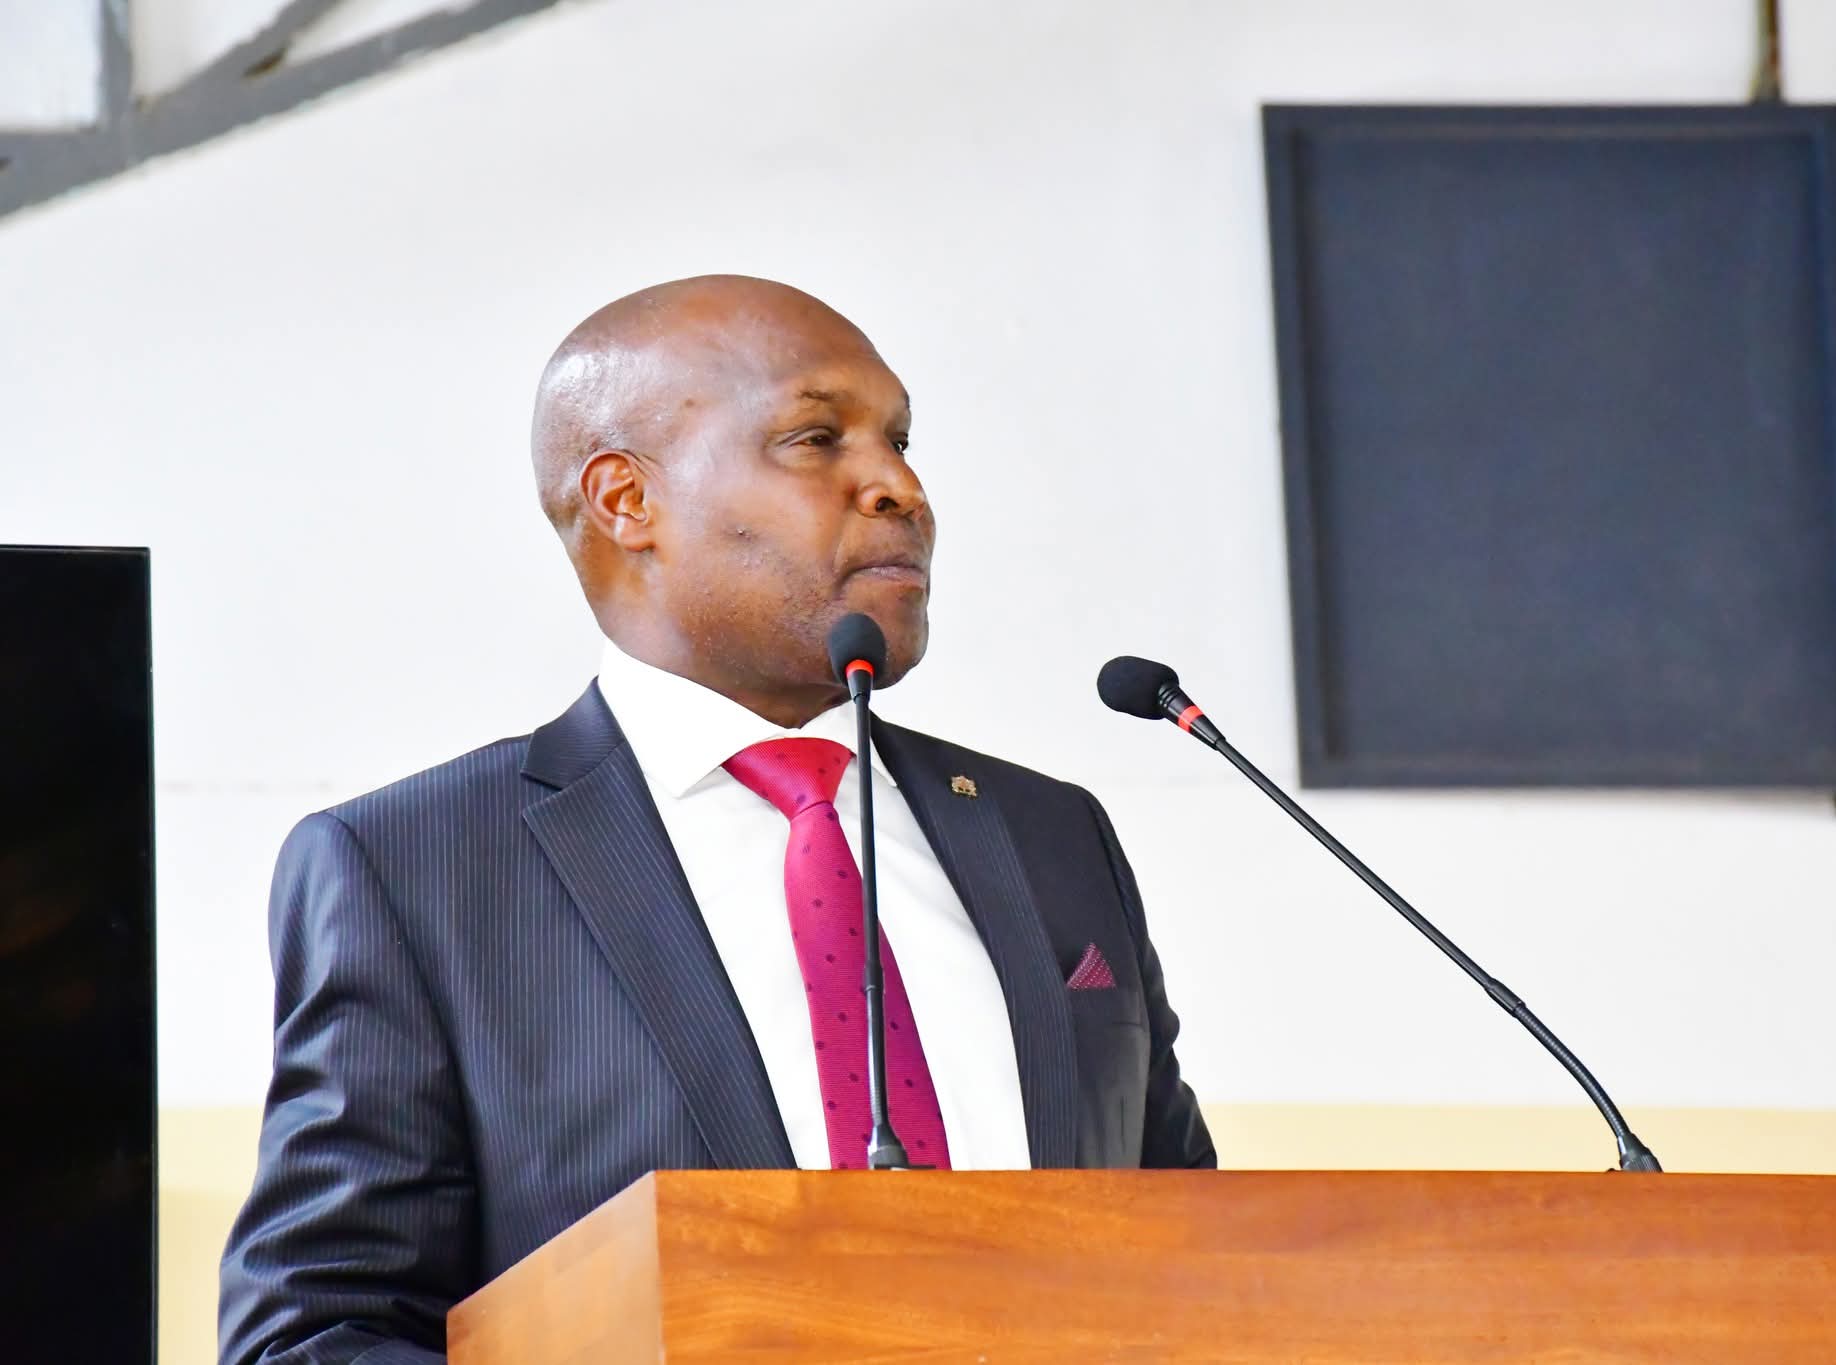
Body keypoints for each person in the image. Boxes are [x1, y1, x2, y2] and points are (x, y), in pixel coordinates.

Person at [217, 275, 1214, 1363]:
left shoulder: (1048, 835)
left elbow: (1192, 1259)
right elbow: (318, 1333)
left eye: (899, 439)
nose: (897, 485)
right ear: (624, 500)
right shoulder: (419, 872)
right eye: (814, 438)